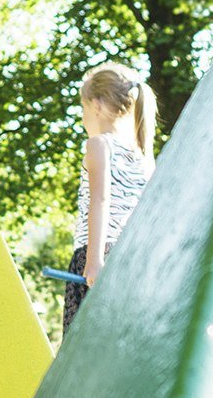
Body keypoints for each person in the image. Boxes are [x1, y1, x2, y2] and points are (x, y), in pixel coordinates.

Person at [64, 64, 157, 331]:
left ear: (96, 105)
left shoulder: (98, 145)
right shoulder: (142, 158)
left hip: (95, 255)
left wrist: (93, 261)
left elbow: (99, 201)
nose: (83, 118)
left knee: (80, 351)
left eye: (82, 109)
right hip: (130, 260)